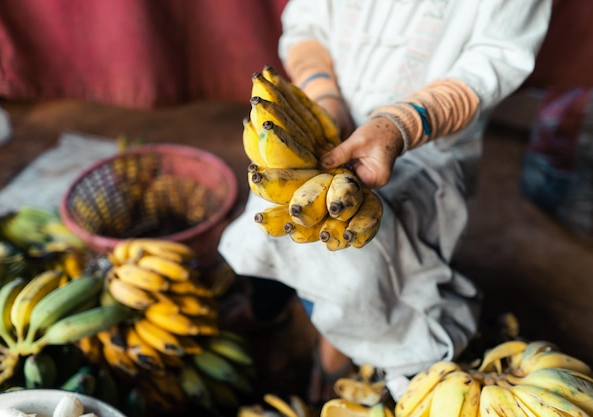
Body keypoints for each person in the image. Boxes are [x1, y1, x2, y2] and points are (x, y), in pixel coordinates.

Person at [218, 0, 552, 405]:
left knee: (354, 258)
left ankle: (336, 350)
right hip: (331, 120)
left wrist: (402, 124)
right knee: (272, 209)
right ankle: (265, 303)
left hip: (431, 148)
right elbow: (306, 27)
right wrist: (326, 99)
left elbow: (494, 62)